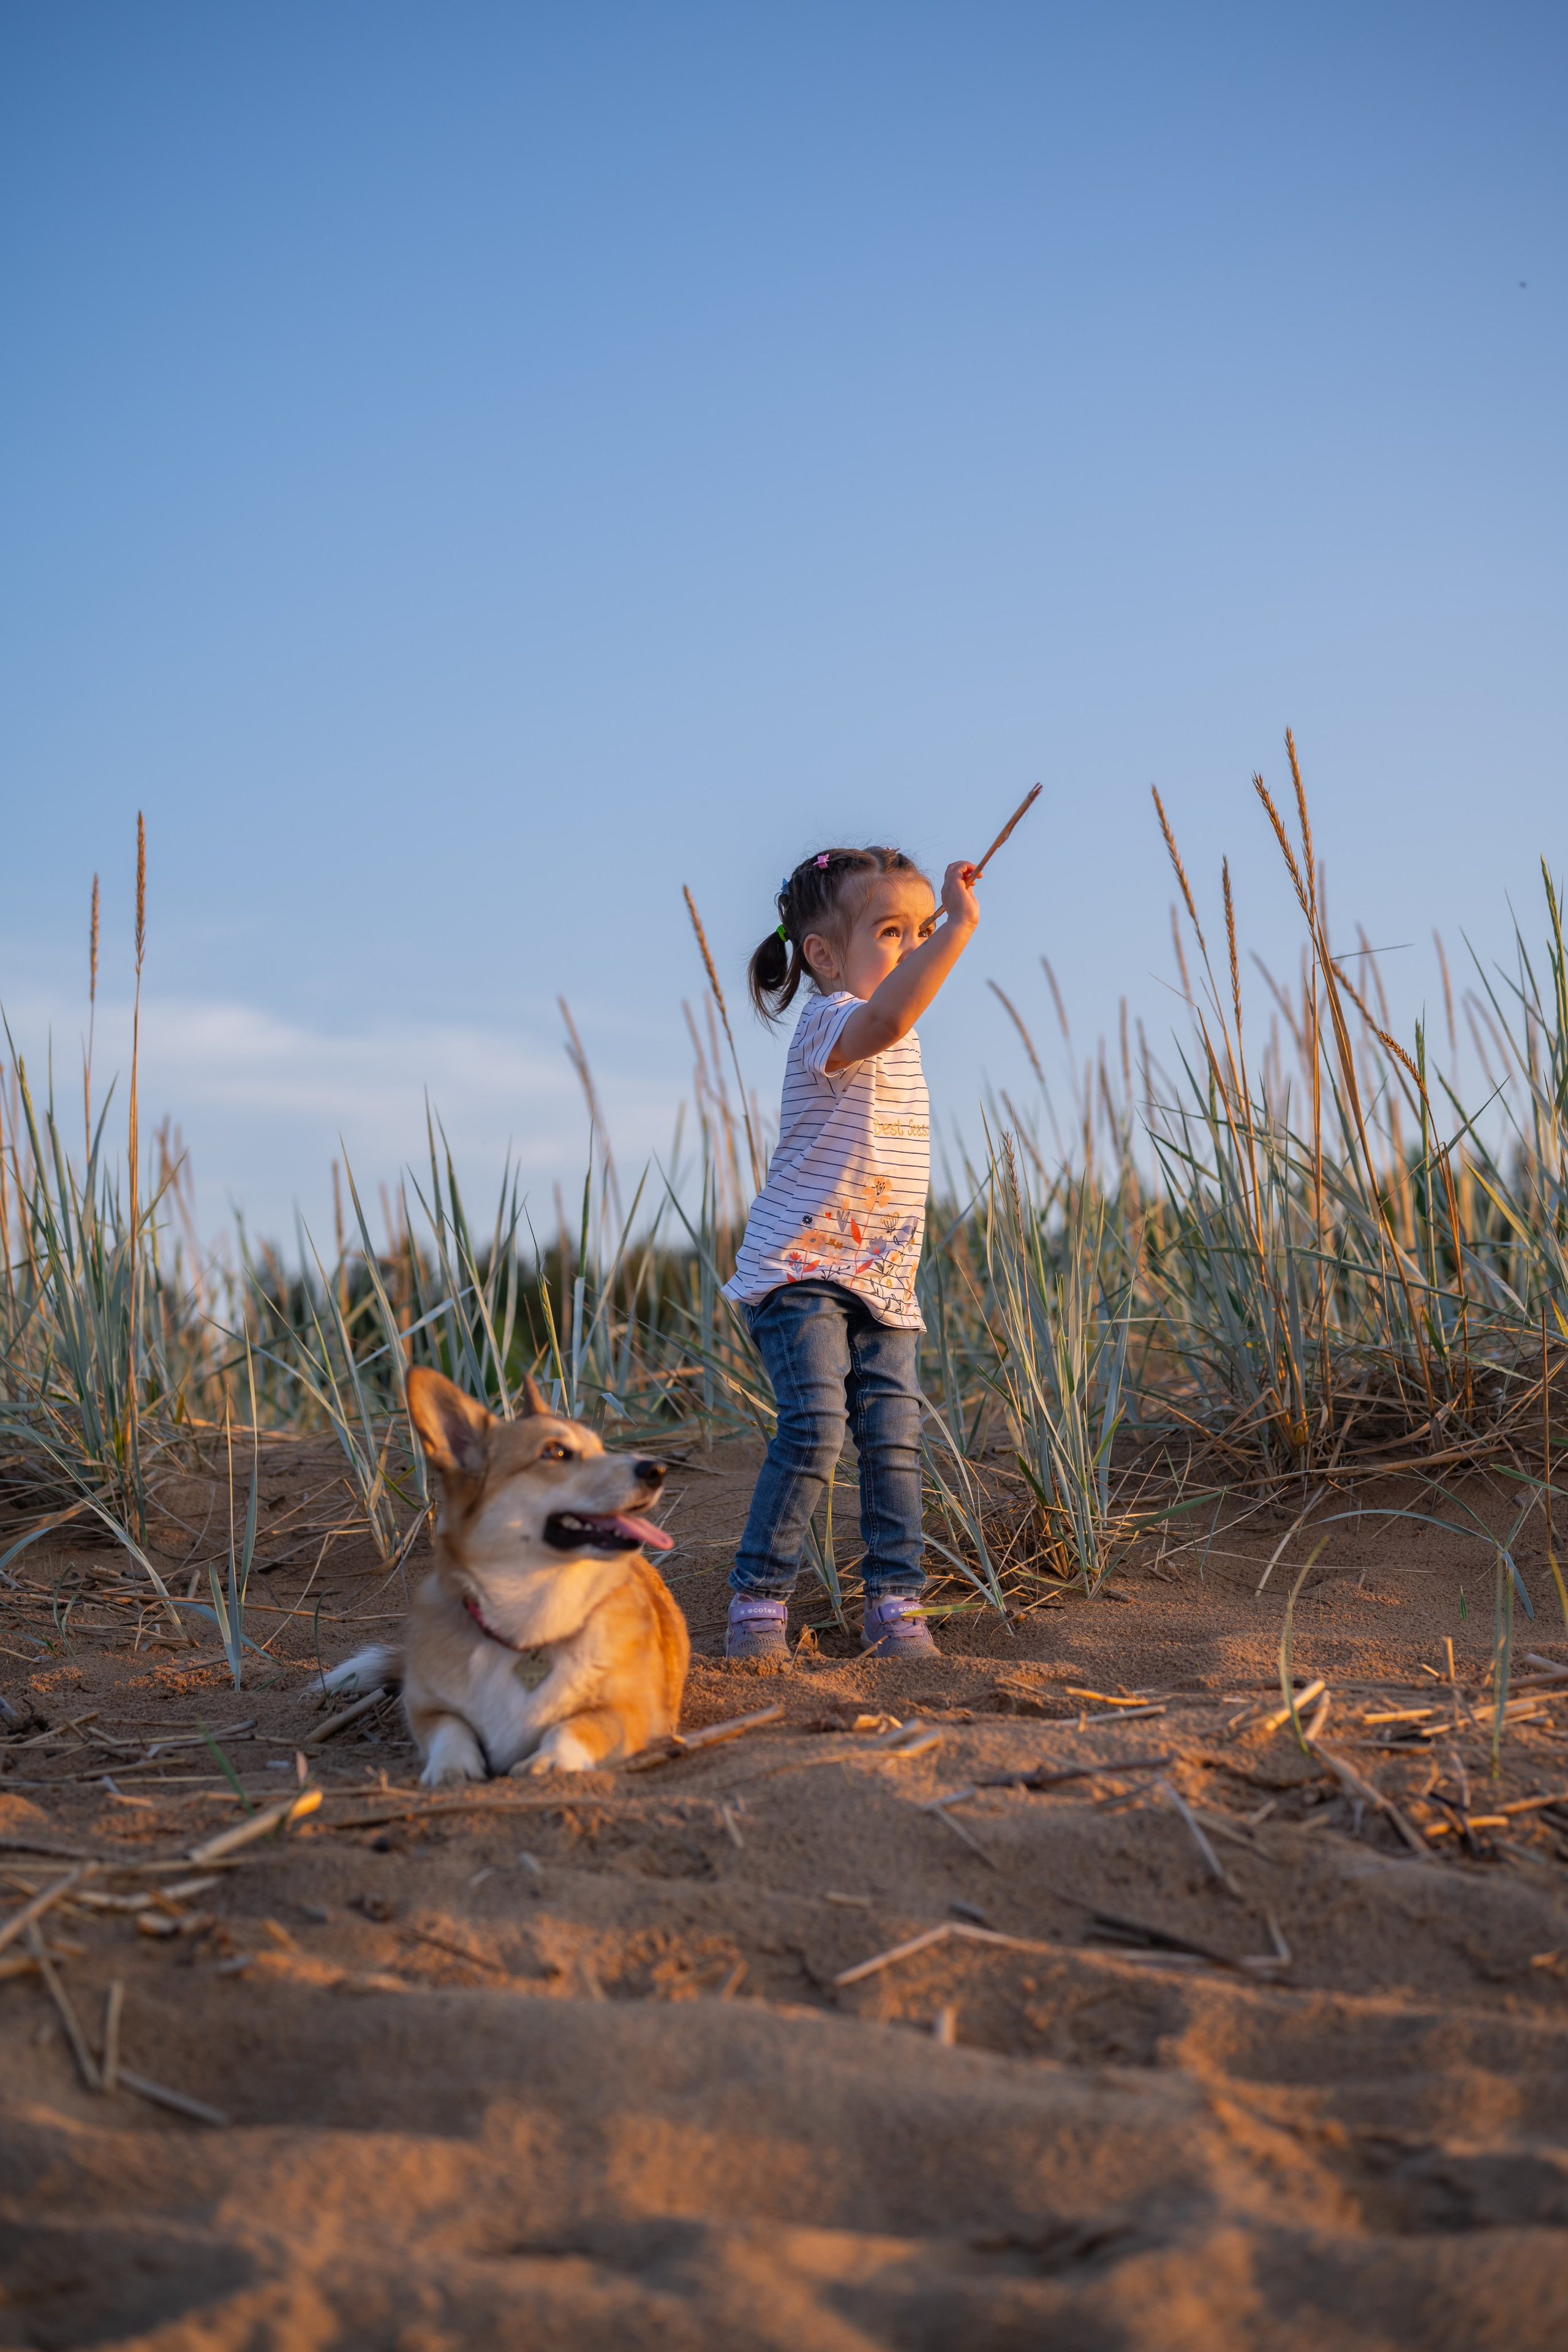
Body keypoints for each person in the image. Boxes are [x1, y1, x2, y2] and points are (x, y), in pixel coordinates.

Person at [720, 843, 979, 1660]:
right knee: (816, 1426)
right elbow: (892, 1013)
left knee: (894, 1439)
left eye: (920, 931)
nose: (911, 948)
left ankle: (896, 1606)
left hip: (884, 1280)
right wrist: (958, 930)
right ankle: (758, 1606)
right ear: (824, 955)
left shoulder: (895, 1040)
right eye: (891, 932)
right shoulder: (831, 1023)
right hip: (803, 1271)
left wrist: (932, 933)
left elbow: (902, 1010)